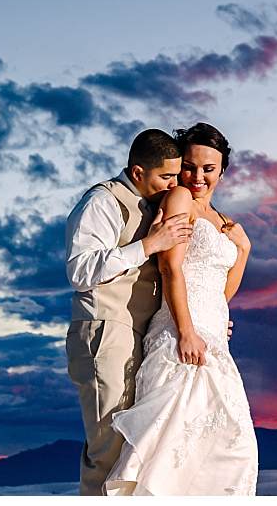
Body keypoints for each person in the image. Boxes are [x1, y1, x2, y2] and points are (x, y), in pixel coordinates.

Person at [104, 122, 259, 496]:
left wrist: (244, 250)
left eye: (209, 168)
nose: (198, 177)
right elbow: (170, 268)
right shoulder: (179, 199)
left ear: (222, 171)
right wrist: (186, 331)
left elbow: (221, 292)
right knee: (172, 451)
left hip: (215, 341)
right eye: (189, 167)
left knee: (231, 448)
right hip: (180, 335)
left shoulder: (222, 220)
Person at [64, 129, 196, 496]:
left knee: (131, 448)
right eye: (166, 176)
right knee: (108, 448)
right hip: (104, 330)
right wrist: (149, 244)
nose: (175, 184)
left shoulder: (153, 205)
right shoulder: (102, 202)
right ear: (138, 172)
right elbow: (80, 271)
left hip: (139, 334)